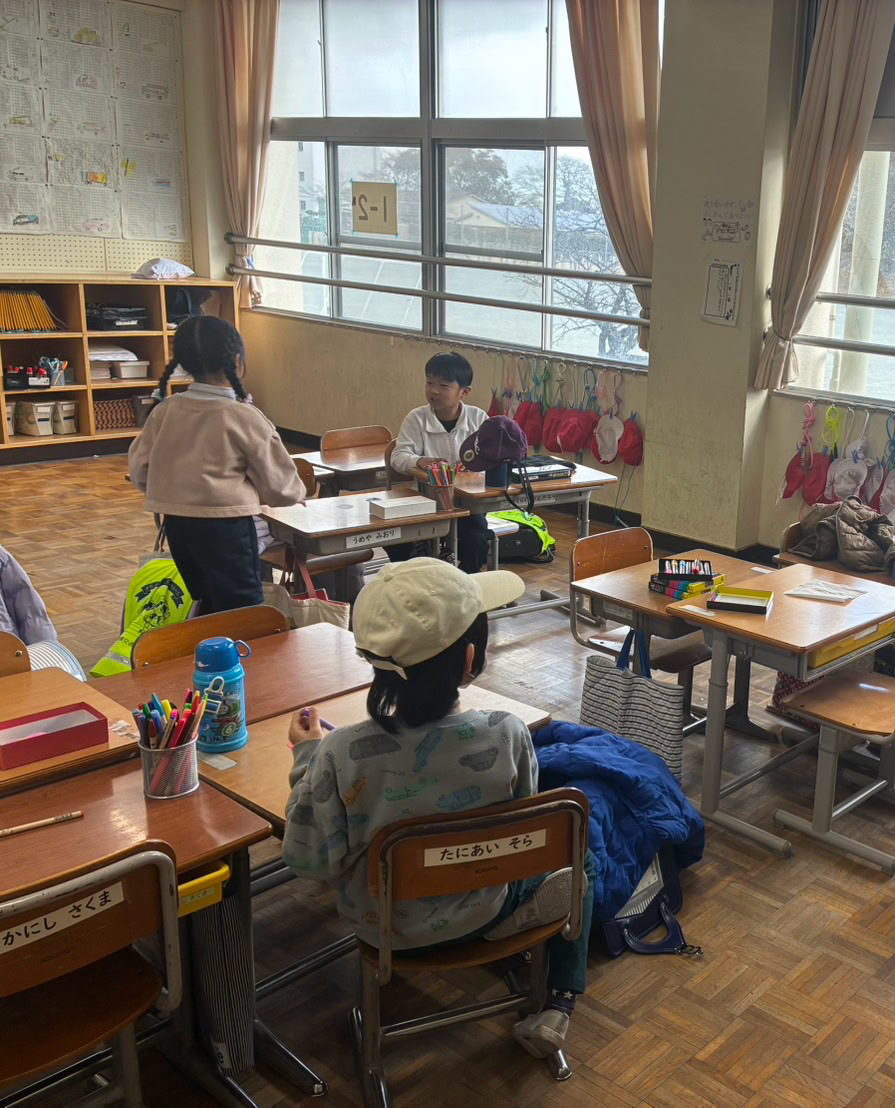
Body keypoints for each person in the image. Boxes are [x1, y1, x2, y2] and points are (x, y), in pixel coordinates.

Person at [281, 558, 595, 1060]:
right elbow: (524, 833)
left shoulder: (341, 752)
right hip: (484, 908)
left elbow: (309, 860)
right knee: (580, 850)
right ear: (470, 658)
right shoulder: (508, 732)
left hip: (384, 930)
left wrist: (306, 758)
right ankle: (559, 1000)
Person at [128, 316, 304, 615]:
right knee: (242, 609)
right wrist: (291, 495)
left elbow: (140, 471)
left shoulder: (165, 411)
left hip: (178, 526)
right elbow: (282, 489)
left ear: (183, 363)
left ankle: (210, 643)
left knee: (205, 599)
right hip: (228, 528)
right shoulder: (243, 417)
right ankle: (236, 646)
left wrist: (177, 493)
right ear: (237, 362)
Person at [389, 352, 489, 572]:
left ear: (464, 392)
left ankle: (463, 582)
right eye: (429, 383)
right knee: (395, 538)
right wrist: (421, 461)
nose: (433, 391)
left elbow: (492, 458)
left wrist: (476, 468)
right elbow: (398, 457)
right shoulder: (416, 418)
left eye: (443, 386)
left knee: (478, 539)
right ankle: (411, 578)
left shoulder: (478, 418)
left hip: (467, 504)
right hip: (425, 500)